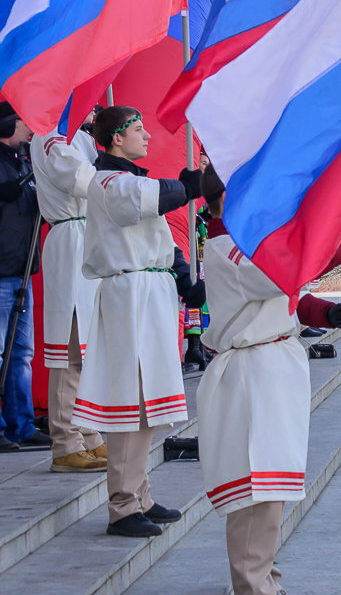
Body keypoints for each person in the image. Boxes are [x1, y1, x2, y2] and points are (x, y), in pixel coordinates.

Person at [197, 166, 341, 595]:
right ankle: (253, 586)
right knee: (257, 490)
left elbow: (285, 296)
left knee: (272, 488)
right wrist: (340, 233)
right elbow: (280, 274)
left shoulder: (244, 242)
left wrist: (322, 313)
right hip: (251, 373)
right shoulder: (227, 244)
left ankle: (266, 577)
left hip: (272, 367)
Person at [74, 106, 205, 537]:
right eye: (137, 129)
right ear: (115, 139)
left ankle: (140, 494)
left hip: (150, 295)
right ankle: (122, 506)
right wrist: (189, 186)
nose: (147, 135)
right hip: (128, 298)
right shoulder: (108, 180)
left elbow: (160, 231)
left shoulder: (131, 180)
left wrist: (184, 276)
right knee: (130, 402)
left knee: (148, 404)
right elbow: (152, 198)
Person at [31, 124, 107, 470]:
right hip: (70, 238)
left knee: (89, 349)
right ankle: (65, 440)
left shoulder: (79, 135)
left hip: (88, 235)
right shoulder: (48, 135)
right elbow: (82, 180)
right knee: (70, 348)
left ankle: (89, 433)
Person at [0, 102, 49, 451]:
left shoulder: (25, 163)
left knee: (20, 353)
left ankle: (21, 425)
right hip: (2, 271)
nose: (29, 128)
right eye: (23, 121)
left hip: (21, 271)